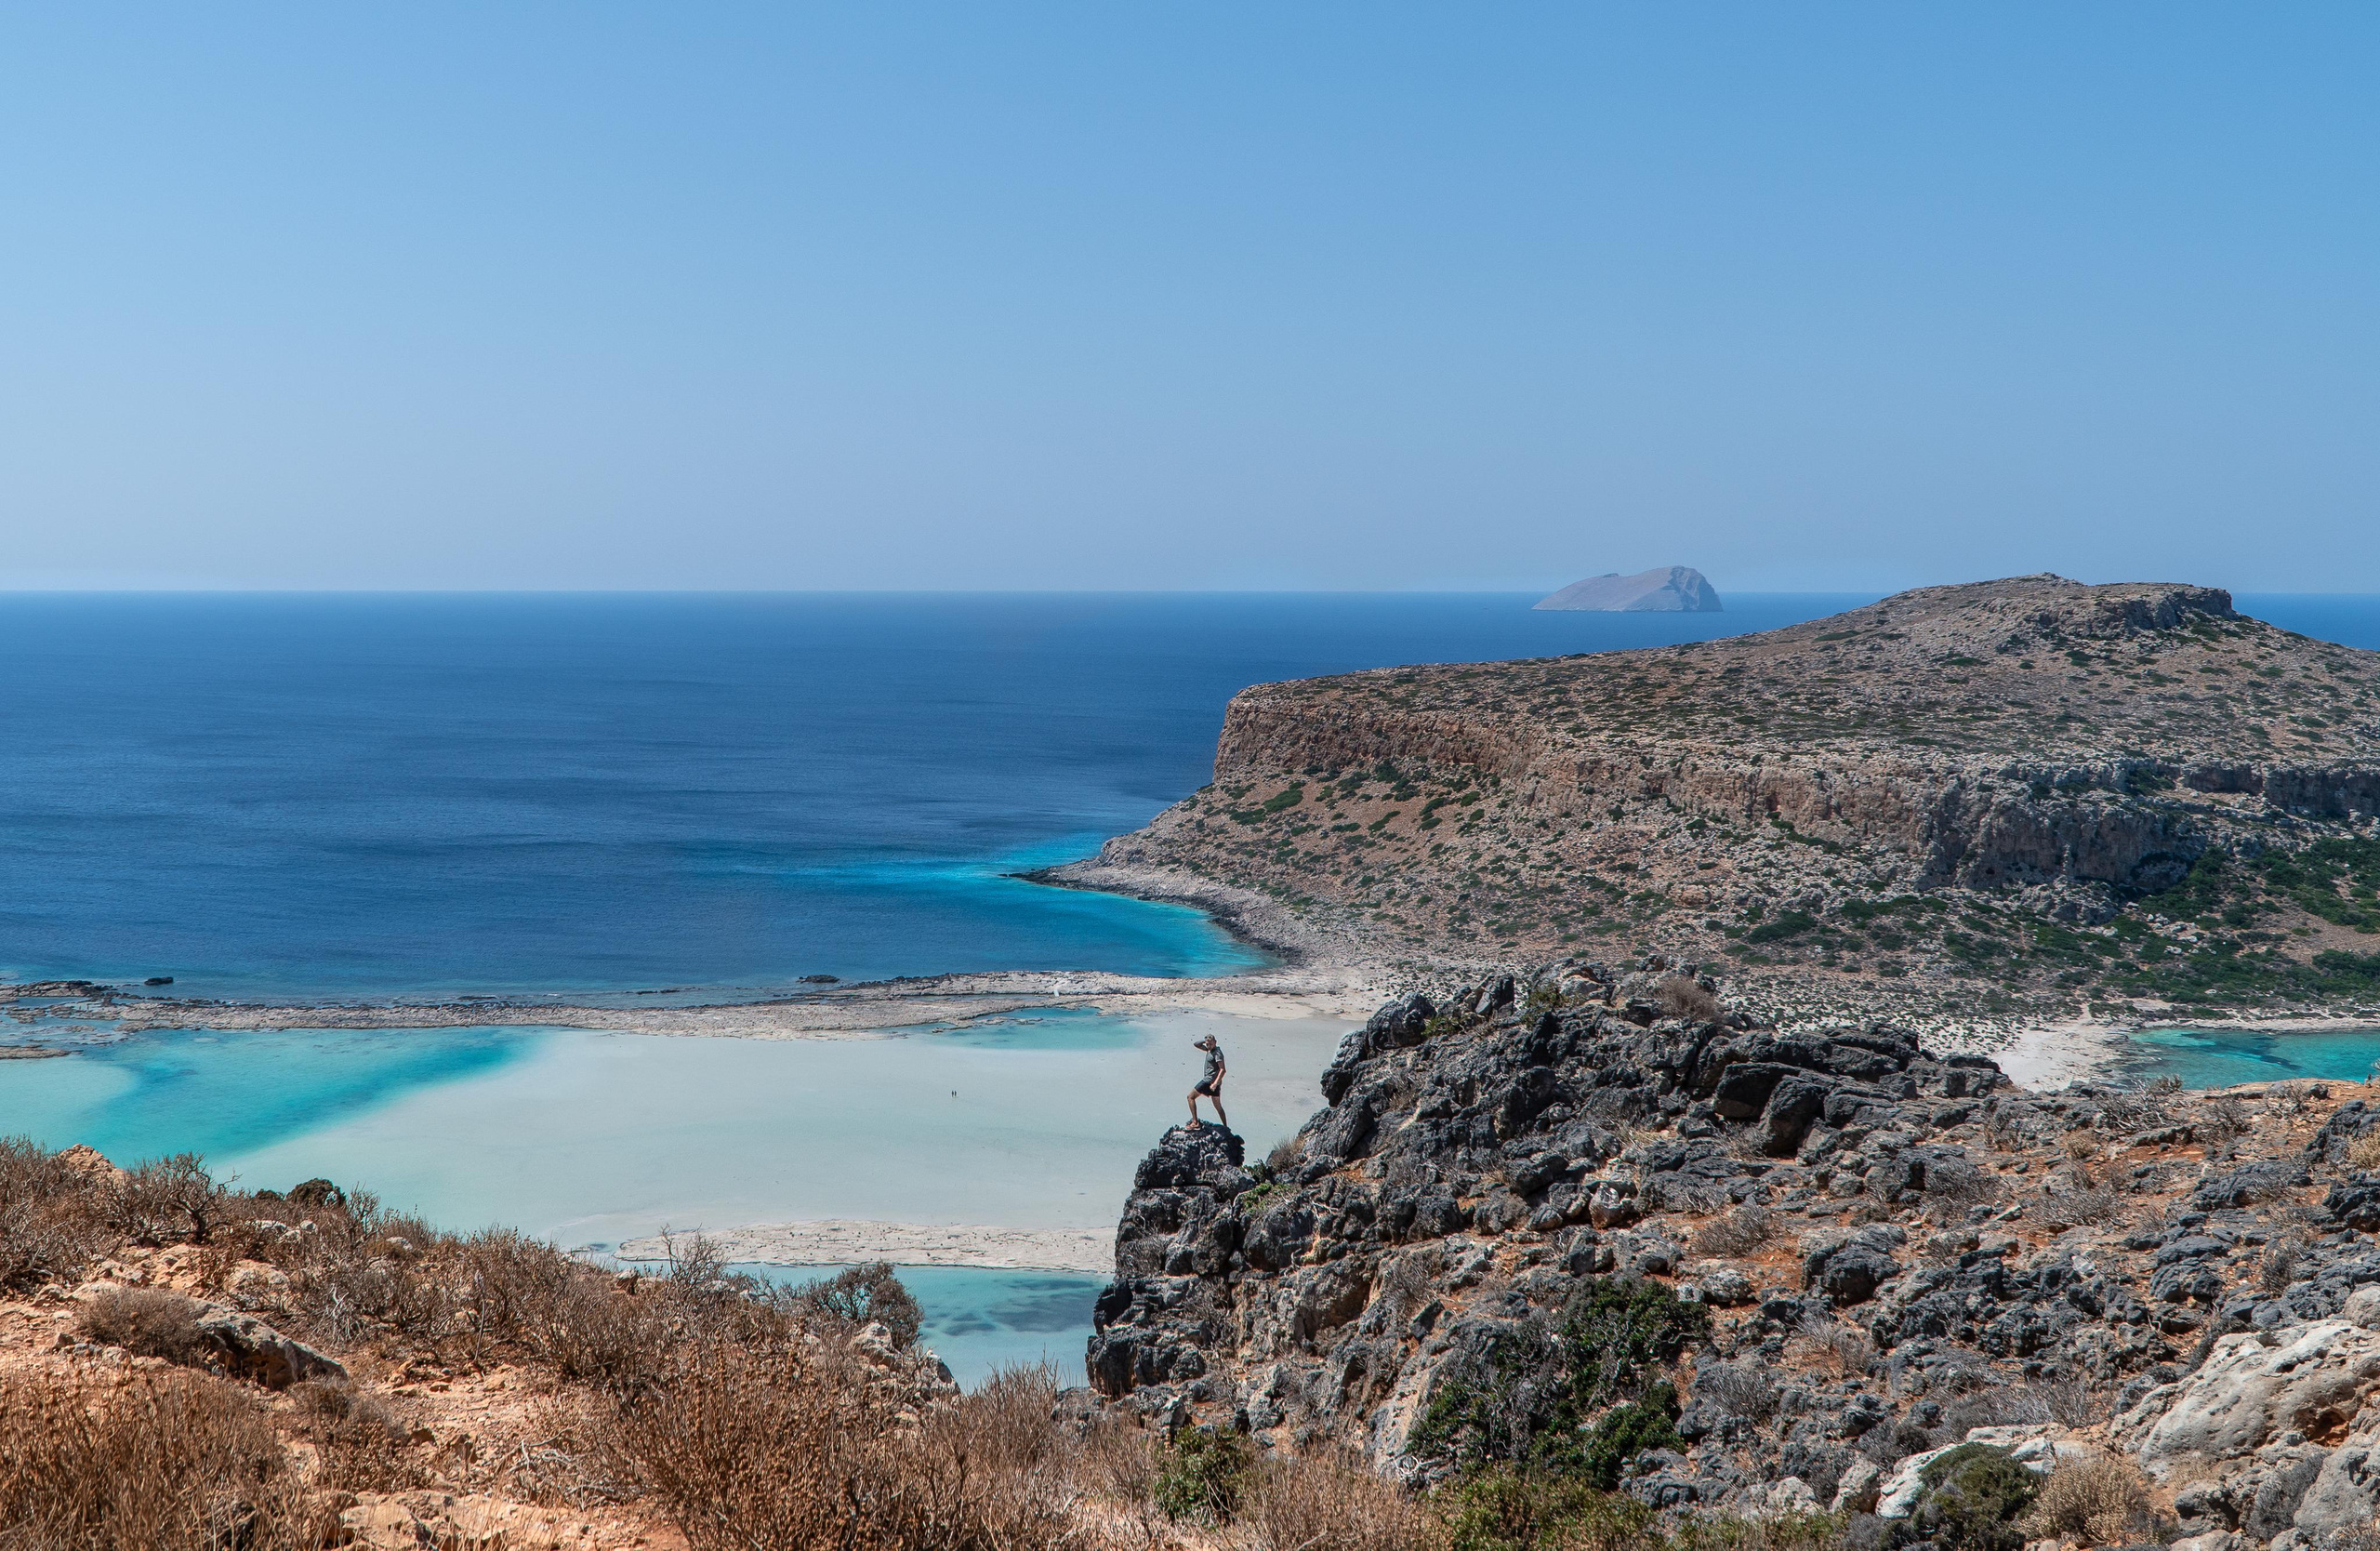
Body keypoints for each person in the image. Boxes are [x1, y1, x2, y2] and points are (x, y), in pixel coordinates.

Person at [1185, 1034, 1227, 1131]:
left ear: (1215, 1042)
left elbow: (1223, 1070)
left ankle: (1195, 1123)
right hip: (1212, 1082)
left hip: (1209, 1081)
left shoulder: (1217, 1053)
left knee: (1190, 1097)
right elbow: (1196, 1044)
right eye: (1208, 1044)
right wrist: (1206, 1042)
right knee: (1218, 1107)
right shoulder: (1209, 1050)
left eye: (1211, 1044)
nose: (1209, 1046)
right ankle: (1226, 1127)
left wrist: (1215, 1083)